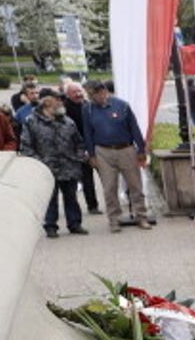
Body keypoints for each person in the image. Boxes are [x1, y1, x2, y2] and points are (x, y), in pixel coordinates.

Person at [82, 80, 153, 232]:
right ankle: (114, 219)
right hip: (103, 151)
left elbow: (134, 128)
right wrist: (92, 155)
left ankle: (141, 216)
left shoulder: (122, 106)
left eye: (92, 95)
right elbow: (87, 133)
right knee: (109, 188)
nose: (90, 98)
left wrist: (141, 150)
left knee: (135, 185)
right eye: (89, 95)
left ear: (103, 92)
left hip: (126, 149)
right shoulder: (87, 109)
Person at [21, 89, 89, 238]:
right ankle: (50, 226)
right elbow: (26, 147)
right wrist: (40, 164)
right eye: (57, 99)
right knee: (50, 200)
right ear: (47, 102)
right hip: (46, 168)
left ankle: (75, 224)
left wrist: (78, 157)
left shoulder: (67, 121)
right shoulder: (31, 121)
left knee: (71, 197)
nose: (61, 102)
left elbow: (79, 142)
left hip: (68, 167)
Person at [64, 82, 101, 213]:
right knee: (87, 180)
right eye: (75, 92)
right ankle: (92, 206)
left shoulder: (88, 105)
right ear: (68, 94)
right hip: (79, 150)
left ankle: (112, 203)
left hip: (96, 147)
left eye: (80, 91)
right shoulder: (65, 109)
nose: (79, 94)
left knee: (106, 177)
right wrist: (81, 150)